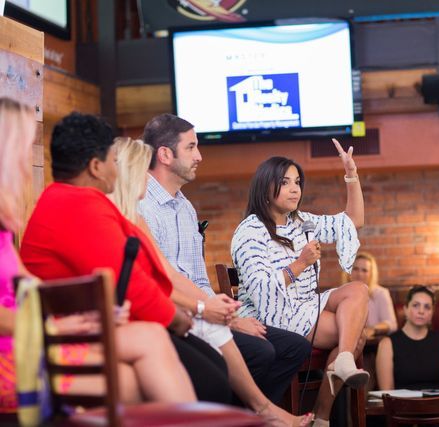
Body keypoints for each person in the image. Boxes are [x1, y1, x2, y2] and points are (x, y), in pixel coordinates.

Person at [20, 112, 231, 405]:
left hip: (105, 324)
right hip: (79, 335)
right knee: (211, 381)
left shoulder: (66, 199)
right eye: (113, 161)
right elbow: (130, 282)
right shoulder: (80, 206)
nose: (118, 170)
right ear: (96, 167)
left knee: (212, 368)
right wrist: (175, 318)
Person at [113, 136, 312, 426]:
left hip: (180, 310)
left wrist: (213, 307)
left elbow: (170, 275)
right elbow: (151, 285)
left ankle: (256, 413)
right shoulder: (126, 218)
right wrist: (204, 309)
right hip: (154, 318)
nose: (148, 177)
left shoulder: (165, 212)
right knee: (244, 357)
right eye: (143, 171)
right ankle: (257, 412)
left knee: (293, 346)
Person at [231, 148, 369, 425]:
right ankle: (321, 417)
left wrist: (351, 174)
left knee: (359, 290)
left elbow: (353, 222)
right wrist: (300, 264)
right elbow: (262, 290)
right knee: (356, 336)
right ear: (265, 187)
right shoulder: (250, 231)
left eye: (297, 182)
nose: (295, 189)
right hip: (272, 314)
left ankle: (341, 363)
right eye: (285, 183)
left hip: (305, 306)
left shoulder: (301, 221)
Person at [375, 286, 439, 391]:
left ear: (432, 313)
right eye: (416, 305)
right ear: (405, 309)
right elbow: (387, 392)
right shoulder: (387, 344)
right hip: (401, 402)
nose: (421, 311)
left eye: (427, 307)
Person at [344, 252, 397, 339]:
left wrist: (372, 329)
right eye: (355, 269)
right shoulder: (340, 293)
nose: (359, 274)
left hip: (373, 342)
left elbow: (392, 324)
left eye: (364, 270)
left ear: (371, 274)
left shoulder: (381, 293)